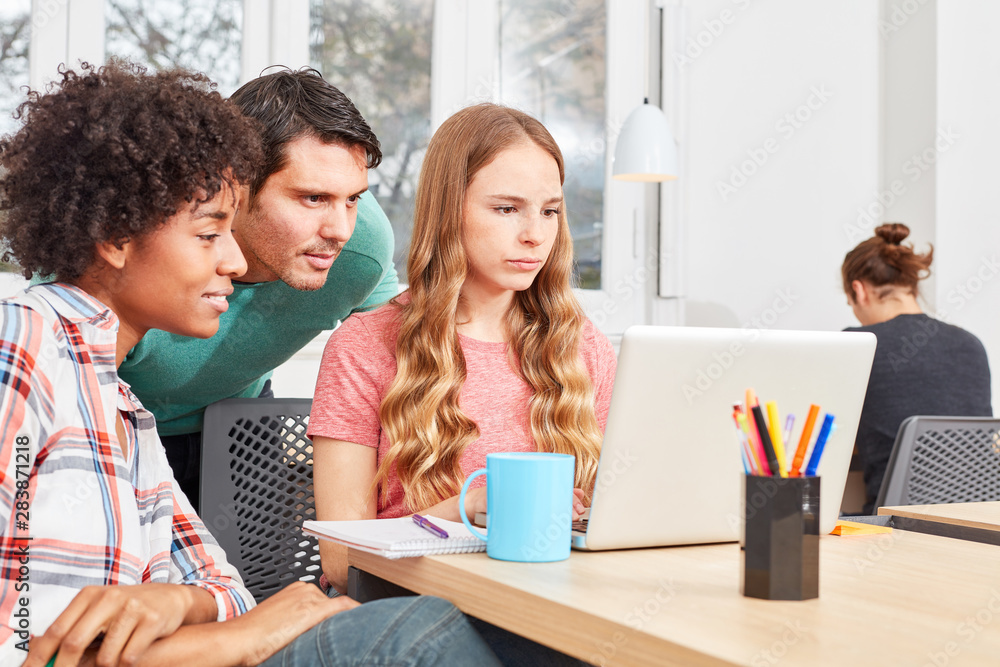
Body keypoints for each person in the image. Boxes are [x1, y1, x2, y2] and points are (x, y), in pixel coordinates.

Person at [0, 61, 499, 667]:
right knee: (416, 633)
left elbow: (228, 591)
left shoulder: (124, 413)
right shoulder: (27, 343)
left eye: (351, 200)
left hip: (216, 422)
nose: (235, 264)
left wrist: (180, 605)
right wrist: (233, 637)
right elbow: (25, 642)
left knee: (434, 623)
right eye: (211, 233)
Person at [308, 103, 618, 593]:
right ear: (449, 209)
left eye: (550, 211)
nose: (535, 234)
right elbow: (343, 561)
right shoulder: (365, 347)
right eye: (507, 208)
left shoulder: (581, 347)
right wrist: (463, 509)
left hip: (555, 601)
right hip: (415, 608)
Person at [116, 67, 400, 510]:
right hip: (119, 421)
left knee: (259, 579)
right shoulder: (144, 242)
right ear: (236, 182)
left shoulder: (362, 244)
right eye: (312, 198)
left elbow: (401, 359)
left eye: (353, 198)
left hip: (241, 423)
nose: (341, 229)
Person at [842, 222, 992, 513]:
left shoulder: (859, 345)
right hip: (977, 519)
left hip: (894, 525)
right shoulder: (971, 344)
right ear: (911, 285)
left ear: (859, 291)